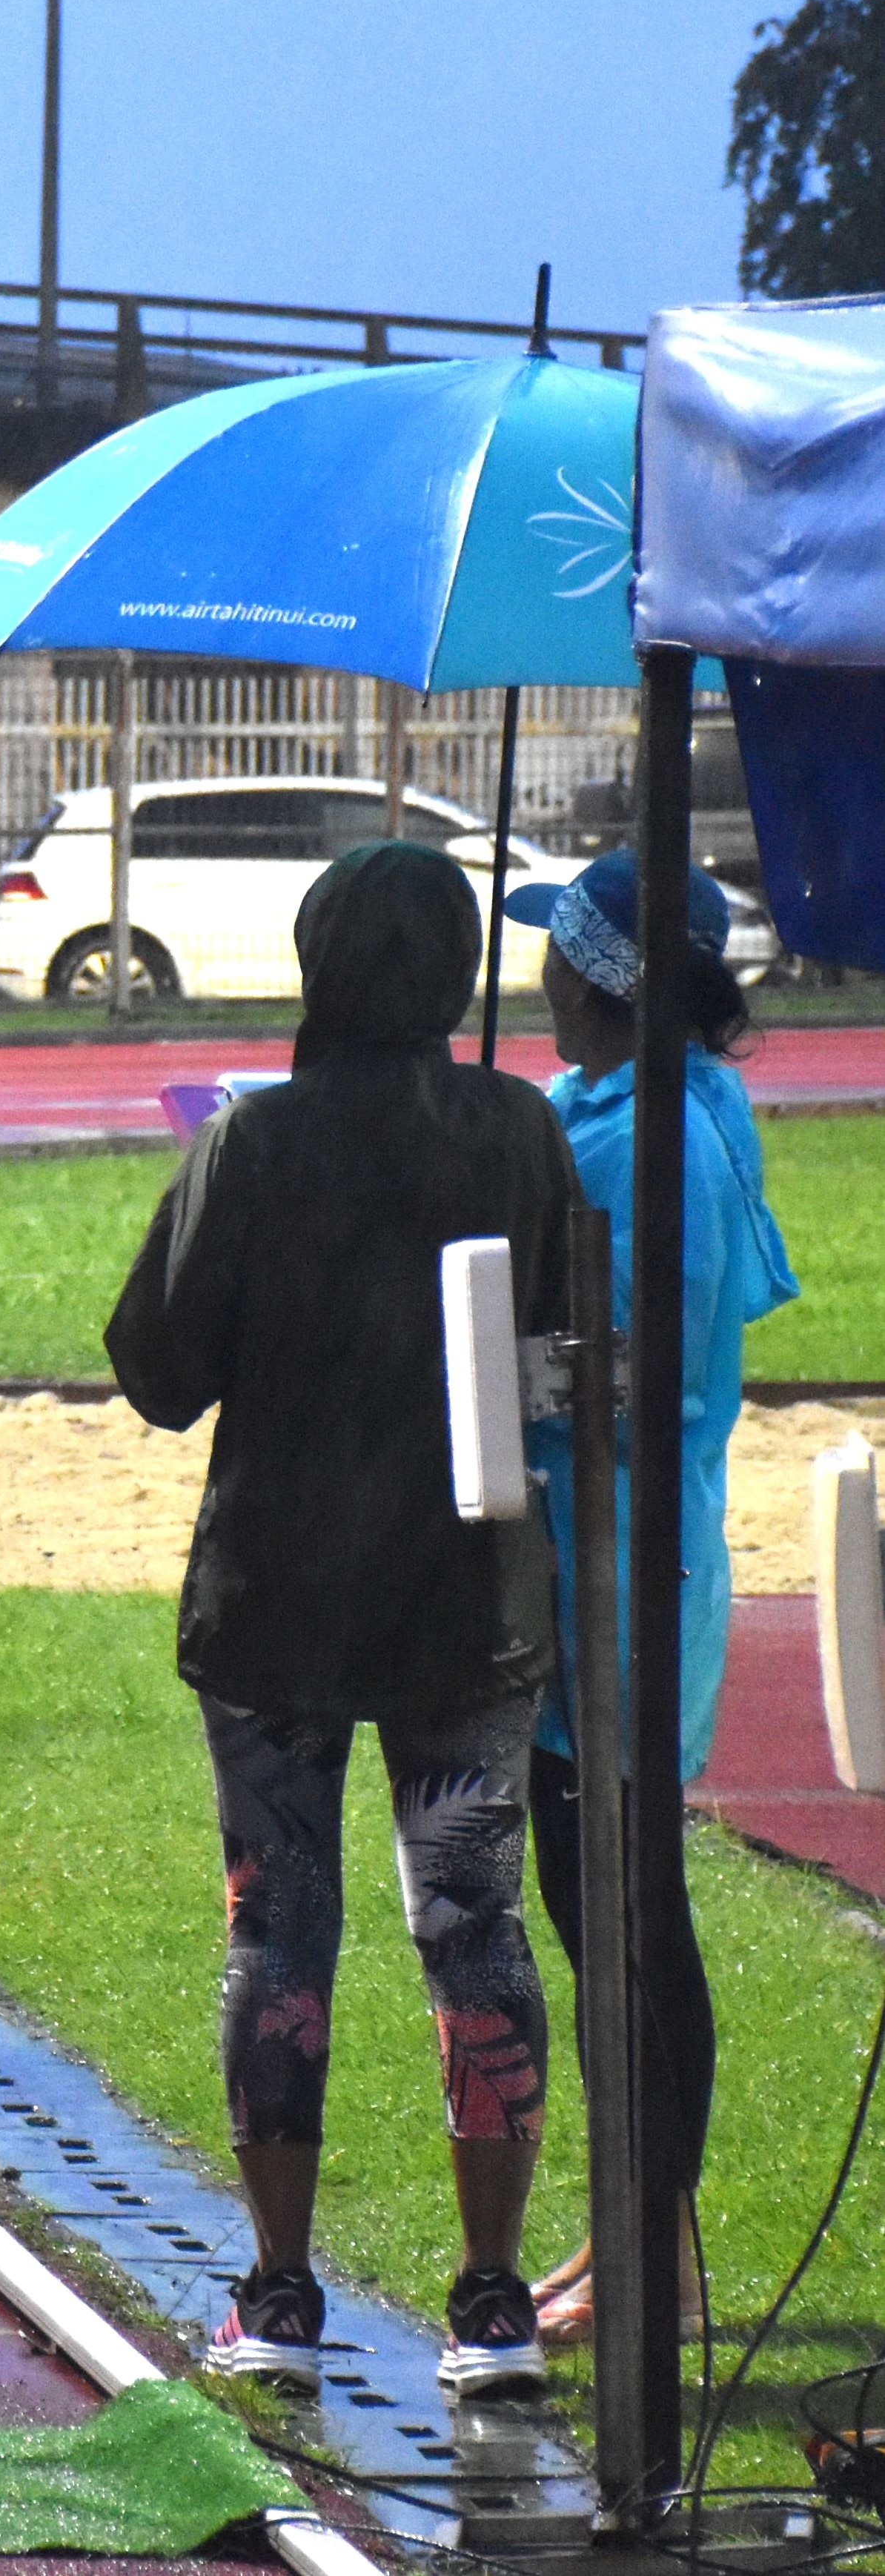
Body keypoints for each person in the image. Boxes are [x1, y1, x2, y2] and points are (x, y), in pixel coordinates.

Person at [106, 840, 583, 2400]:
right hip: (469, 1594)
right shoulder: (519, 1128)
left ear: (316, 964)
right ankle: (493, 2299)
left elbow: (158, 1371)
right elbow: (567, 1346)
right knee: (475, 1926)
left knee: (279, 1930)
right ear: (455, 974)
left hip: (279, 1600)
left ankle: (280, 2289)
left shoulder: (253, 1139)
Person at [502, 851, 798, 2349]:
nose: (536, 978)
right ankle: (635, 2216)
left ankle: (657, 2246)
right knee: (597, 1909)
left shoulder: (654, 1136)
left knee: (624, 1918)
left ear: (599, 978)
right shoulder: (627, 1104)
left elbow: (644, 1367)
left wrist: (482, 1367)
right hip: (598, 1553)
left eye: (554, 953)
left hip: (620, 1566)